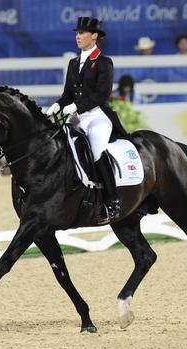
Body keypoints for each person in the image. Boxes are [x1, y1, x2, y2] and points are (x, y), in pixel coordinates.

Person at [46, 16, 127, 222]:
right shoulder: (73, 63)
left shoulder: (104, 62)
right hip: (76, 118)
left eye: (82, 33)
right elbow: (67, 94)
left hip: (96, 116)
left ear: (95, 36)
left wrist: (77, 106)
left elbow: (102, 94)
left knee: (97, 150)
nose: (78, 37)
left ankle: (112, 201)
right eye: (77, 33)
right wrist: (58, 104)